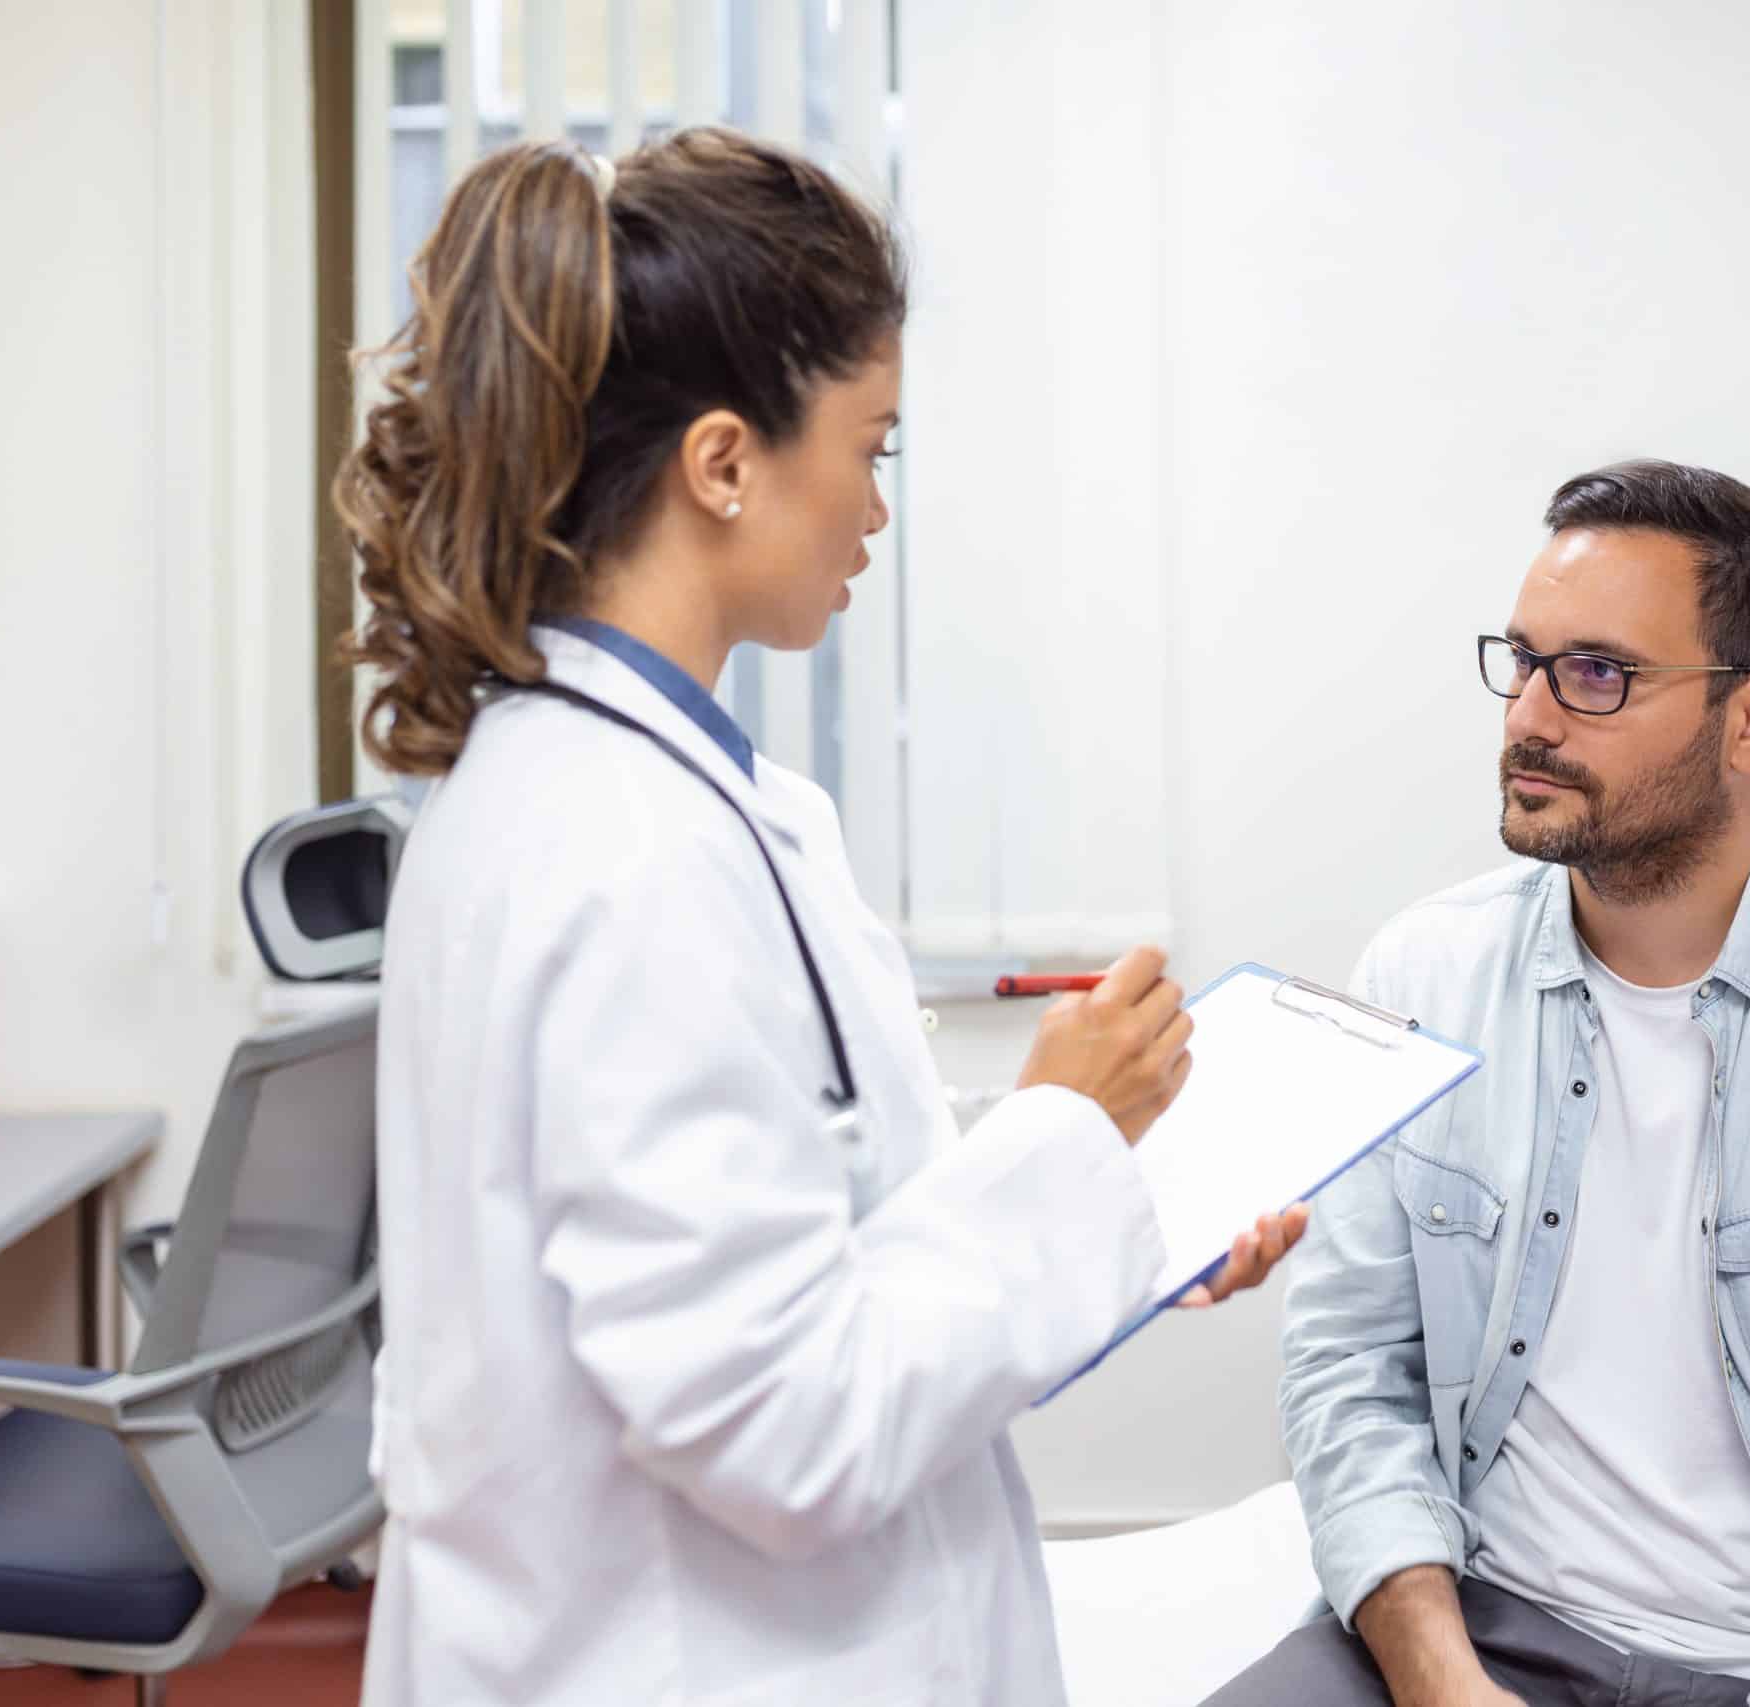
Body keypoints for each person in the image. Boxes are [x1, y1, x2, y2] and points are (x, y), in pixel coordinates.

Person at [336, 129, 1308, 1706]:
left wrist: (1102, 1174)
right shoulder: (627, 850)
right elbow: (782, 1415)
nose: (874, 504)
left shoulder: (644, 794)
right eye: (872, 444)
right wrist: (1062, 1141)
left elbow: (809, 1199)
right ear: (725, 461)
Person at [1208, 461, 1750, 1707]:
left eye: (1598, 673)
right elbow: (1349, 1373)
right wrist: (1441, 1679)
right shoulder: (1424, 974)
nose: (1531, 718)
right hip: (1473, 1628)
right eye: (1525, 659)